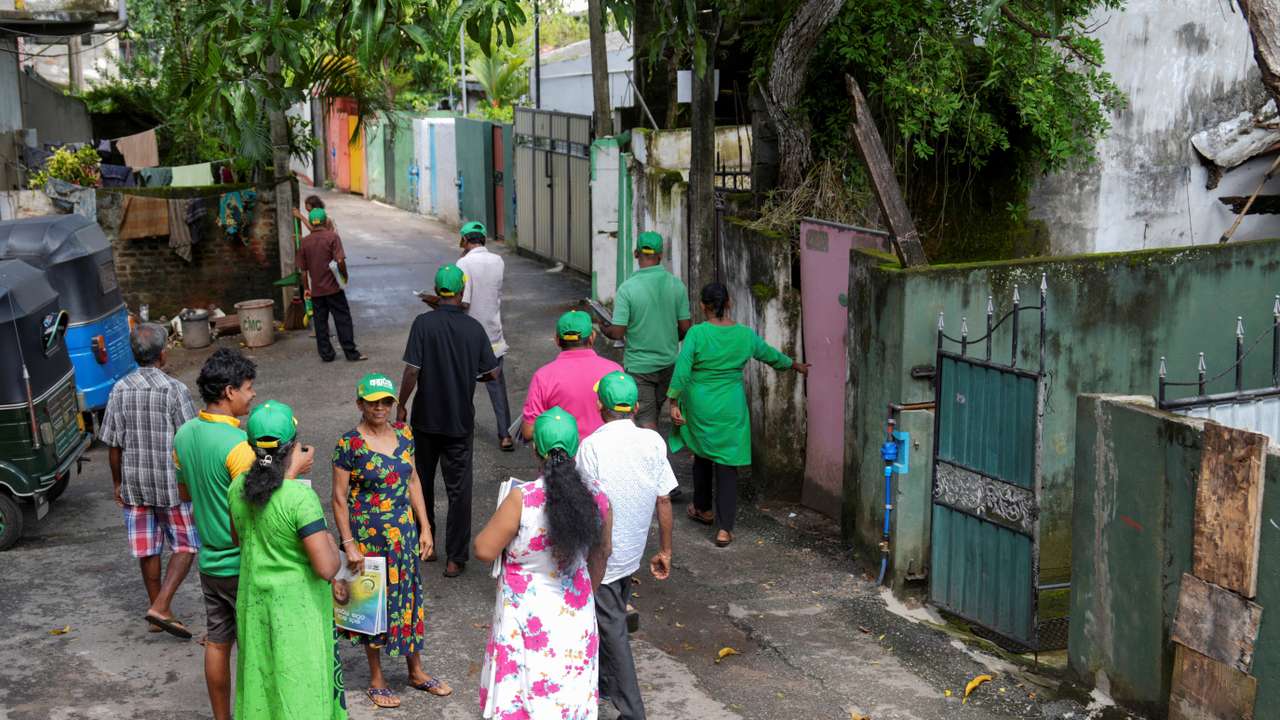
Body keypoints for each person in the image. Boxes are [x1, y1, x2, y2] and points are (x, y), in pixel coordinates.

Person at [474, 407, 613, 719]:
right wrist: (586, 590)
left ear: (536, 449)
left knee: (522, 691)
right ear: (577, 448)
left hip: (525, 614)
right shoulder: (598, 496)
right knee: (569, 690)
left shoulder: (523, 499)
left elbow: (483, 549)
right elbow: (602, 552)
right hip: (575, 610)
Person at [333, 373, 450, 708]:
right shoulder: (348, 445)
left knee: (409, 600)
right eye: (373, 402)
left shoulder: (404, 433)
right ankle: (376, 679)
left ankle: (416, 671)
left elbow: (413, 480)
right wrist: (349, 544)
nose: (380, 408)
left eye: (386, 402)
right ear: (360, 404)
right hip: (368, 539)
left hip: (403, 536)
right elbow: (339, 498)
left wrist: (426, 526)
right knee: (373, 605)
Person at [228, 400, 348, 719]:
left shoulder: (237, 487)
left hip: (254, 607)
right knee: (300, 692)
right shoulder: (299, 498)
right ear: (293, 446)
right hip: (297, 611)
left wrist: (289, 473)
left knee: (262, 690)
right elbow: (325, 567)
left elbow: (237, 538)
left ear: (251, 447)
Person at [668, 283, 809, 548]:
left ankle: (703, 509)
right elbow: (770, 356)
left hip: (700, 404)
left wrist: (673, 400)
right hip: (730, 404)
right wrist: (795, 365)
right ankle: (724, 530)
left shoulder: (697, 334)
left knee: (701, 453)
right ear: (729, 303)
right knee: (727, 462)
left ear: (702, 305)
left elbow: (682, 370)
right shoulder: (745, 335)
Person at [576, 371, 676, 720]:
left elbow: (586, 505)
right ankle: (603, 685)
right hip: (632, 551)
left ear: (600, 406)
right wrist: (664, 550)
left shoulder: (590, 446)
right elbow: (664, 500)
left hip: (601, 556)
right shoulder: (653, 442)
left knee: (612, 628)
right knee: (611, 618)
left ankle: (632, 711)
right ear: (635, 406)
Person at [397, 264, 500, 578]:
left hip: (426, 420)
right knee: (458, 490)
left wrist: (401, 405)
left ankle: (426, 545)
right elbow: (492, 372)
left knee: (421, 482)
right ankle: (455, 558)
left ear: (436, 290)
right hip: (459, 422)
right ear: (461, 291)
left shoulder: (423, 324)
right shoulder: (473, 329)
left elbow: (412, 370)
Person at [99, 323, 200, 640]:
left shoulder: (119, 389)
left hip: (135, 482)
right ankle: (162, 605)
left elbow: (113, 445)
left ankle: (156, 610)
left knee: (148, 548)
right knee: (185, 545)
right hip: (172, 483)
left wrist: (117, 484)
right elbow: (188, 440)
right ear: (163, 354)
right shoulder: (175, 390)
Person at [173, 348, 258, 720]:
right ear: (228, 392)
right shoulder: (238, 448)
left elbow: (185, 493)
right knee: (255, 649)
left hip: (209, 562)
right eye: (248, 387)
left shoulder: (184, 434)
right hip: (242, 564)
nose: (252, 395)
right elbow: (253, 511)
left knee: (218, 642)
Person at [600, 231, 691, 430]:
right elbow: (685, 328)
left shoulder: (627, 289)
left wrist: (603, 327)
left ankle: (652, 459)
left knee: (645, 422)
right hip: (669, 365)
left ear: (635, 254)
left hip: (640, 368)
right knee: (654, 414)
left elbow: (617, 333)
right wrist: (668, 340)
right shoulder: (677, 286)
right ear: (660, 255)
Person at [454, 221, 514, 452]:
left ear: (465, 240)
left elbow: (464, 301)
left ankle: (461, 430)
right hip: (494, 334)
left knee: (463, 387)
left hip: (469, 337)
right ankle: (505, 435)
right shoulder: (498, 261)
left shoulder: (464, 263)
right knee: (497, 387)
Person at [521, 310, 622, 441]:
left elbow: (528, 431)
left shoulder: (543, 376)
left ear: (557, 340)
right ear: (592, 336)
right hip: (607, 454)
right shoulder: (614, 370)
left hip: (565, 457)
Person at [298, 206, 367, 363]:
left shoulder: (305, 242)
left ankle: (327, 355)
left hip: (317, 292)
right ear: (325, 221)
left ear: (311, 222)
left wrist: (307, 289)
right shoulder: (332, 237)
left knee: (320, 323)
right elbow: (340, 260)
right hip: (334, 289)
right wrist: (344, 275)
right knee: (342, 319)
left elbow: (303, 271)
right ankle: (351, 353)